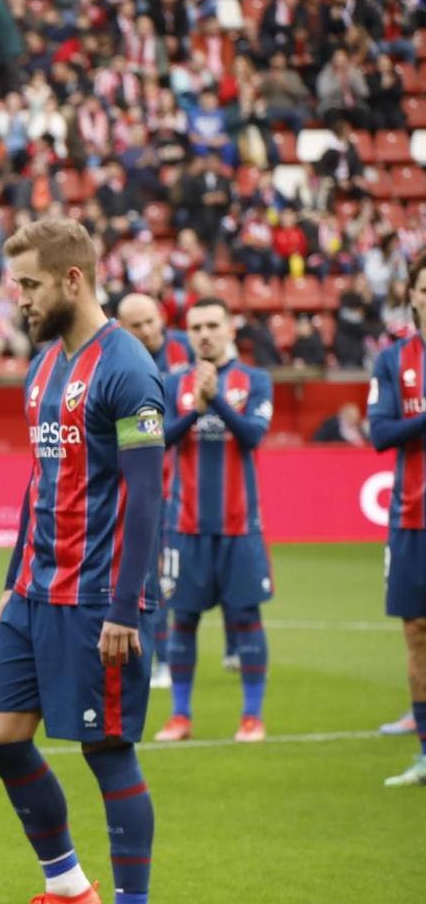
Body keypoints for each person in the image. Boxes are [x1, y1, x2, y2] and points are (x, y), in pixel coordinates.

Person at [0, 218, 165, 904]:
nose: (18, 300)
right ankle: (68, 893)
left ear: (72, 280)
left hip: (96, 599)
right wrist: (9, 583)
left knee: (106, 748)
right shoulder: (45, 365)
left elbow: (148, 497)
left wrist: (125, 607)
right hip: (33, 592)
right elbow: (40, 485)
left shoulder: (128, 367)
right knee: (1, 739)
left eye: (27, 284)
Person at [154, 297, 275, 744]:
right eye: (196, 326)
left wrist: (216, 401)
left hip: (240, 526)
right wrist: (194, 408)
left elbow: (253, 436)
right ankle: (180, 716)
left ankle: (252, 716)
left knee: (245, 618)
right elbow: (160, 439)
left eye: (212, 325)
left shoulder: (256, 380)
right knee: (182, 619)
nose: (204, 333)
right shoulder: (171, 383)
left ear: (229, 329)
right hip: (184, 526)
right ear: (187, 333)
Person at [367, 252, 426, 787]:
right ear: (412, 296)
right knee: (417, 633)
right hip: (412, 517)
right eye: (425, 289)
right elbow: (380, 433)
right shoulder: (393, 360)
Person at [117, 290, 196, 688]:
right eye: (137, 325)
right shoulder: (124, 363)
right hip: (147, 488)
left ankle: (235, 647)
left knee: (188, 579)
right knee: (155, 575)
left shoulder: (187, 352)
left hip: (190, 488)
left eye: (151, 321)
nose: (148, 330)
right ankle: (160, 659)